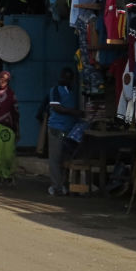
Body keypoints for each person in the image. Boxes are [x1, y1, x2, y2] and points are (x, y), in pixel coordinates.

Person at [46, 68, 84, 196]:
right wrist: (74, 112)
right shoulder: (55, 90)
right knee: (55, 157)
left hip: (69, 129)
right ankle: (56, 185)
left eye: (69, 77)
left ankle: (64, 184)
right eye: (64, 77)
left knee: (66, 158)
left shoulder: (73, 91)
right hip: (57, 128)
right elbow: (56, 107)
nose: (66, 80)